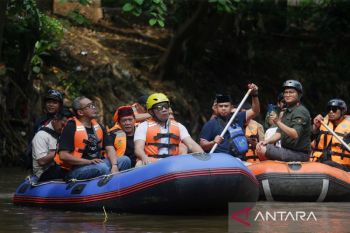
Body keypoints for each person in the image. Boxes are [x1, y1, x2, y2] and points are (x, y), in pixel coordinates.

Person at [55, 96, 131, 180]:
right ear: (80, 112)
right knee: (102, 167)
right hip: (75, 169)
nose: (94, 108)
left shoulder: (98, 126)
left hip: (97, 164)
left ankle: (118, 185)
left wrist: (114, 165)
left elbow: (109, 147)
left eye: (93, 105)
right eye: (90, 106)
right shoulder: (71, 127)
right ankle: (108, 187)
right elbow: (63, 155)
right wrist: (88, 162)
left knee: (125, 160)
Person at [134, 93, 204, 166]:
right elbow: (138, 148)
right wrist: (144, 157)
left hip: (173, 164)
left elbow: (191, 145)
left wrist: (203, 155)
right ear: (151, 112)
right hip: (151, 163)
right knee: (139, 164)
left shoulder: (179, 126)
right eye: (159, 107)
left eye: (166, 106)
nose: (164, 109)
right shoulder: (143, 126)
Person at [199, 83, 260, 160]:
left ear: (231, 107)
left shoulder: (238, 117)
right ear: (216, 108)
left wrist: (254, 95)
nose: (223, 108)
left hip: (240, 160)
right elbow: (202, 144)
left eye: (226, 106)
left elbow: (255, 111)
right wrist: (213, 142)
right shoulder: (211, 124)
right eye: (221, 106)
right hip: (221, 160)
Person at [256, 80, 311, 162]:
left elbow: (294, 134)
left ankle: (274, 171)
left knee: (263, 149)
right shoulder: (287, 111)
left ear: (299, 95)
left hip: (299, 154)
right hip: (287, 151)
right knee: (261, 146)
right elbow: (279, 133)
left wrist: (277, 121)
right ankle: (272, 171)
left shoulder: (301, 111)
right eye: (286, 92)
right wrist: (266, 141)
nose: (288, 95)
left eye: (291, 92)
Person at [32, 109, 72, 181]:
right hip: (43, 173)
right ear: (55, 119)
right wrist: (58, 150)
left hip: (60, 167)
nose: (63, 129)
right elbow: (41, 161)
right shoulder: (41, 135)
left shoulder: (63, 133)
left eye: (66, 127)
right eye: (62, 125)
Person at [311, 98, 350, 171]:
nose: (331, 112)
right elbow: (309, 139)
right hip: (319, 161)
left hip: (341, 165)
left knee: (327, 164)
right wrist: (315, 126)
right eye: (329, 109)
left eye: (334, 109)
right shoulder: (322, 123)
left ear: (342, 111)